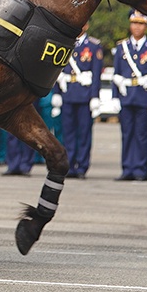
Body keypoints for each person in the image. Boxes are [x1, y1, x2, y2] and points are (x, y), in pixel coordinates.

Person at [111, 10, 147, 180]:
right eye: (134, 23)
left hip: (143, 97)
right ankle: (127, 168)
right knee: (127, 134)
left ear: (145, 27)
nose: (137, 27)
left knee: (142, 135)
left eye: (140, 24)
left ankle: (140, 168)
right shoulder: (121, 47)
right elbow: (116, 74)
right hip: (126, 96)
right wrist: (115, 96)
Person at [53, 23, 103, 178]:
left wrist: (95, 97)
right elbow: (56, 68)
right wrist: (56, 92)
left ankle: (82, 166)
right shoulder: (65, 43)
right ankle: (69, 165)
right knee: (68, 133)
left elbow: (96, 75)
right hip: (68, 94)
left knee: (84, 133)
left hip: (85, 95)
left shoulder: (94, 46)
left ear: (87, 25)